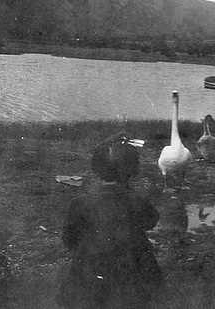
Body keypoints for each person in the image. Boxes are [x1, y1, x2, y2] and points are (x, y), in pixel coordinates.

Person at [57, 131, 163, 309]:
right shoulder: (137, 200)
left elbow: (69, 239)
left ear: (97, 170)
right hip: (132, 273)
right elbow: (151, 221)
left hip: (89, 273)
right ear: (131, 171)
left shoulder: (80, 203)